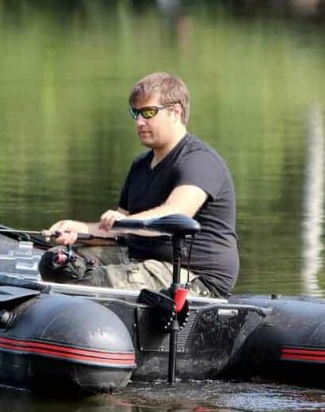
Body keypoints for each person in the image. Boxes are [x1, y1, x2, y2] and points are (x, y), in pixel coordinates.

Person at [42, 72, 238, 298]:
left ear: (176, 112)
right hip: (141, 258)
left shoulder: (200, 161)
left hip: (193, 275)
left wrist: (124, 222)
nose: (139, 122)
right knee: (55, 263)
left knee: (90, 283)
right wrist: (80, 230)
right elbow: (118, 229)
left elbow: (175, 216)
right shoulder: (140, 165)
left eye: (148, 113)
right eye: (135, 113)